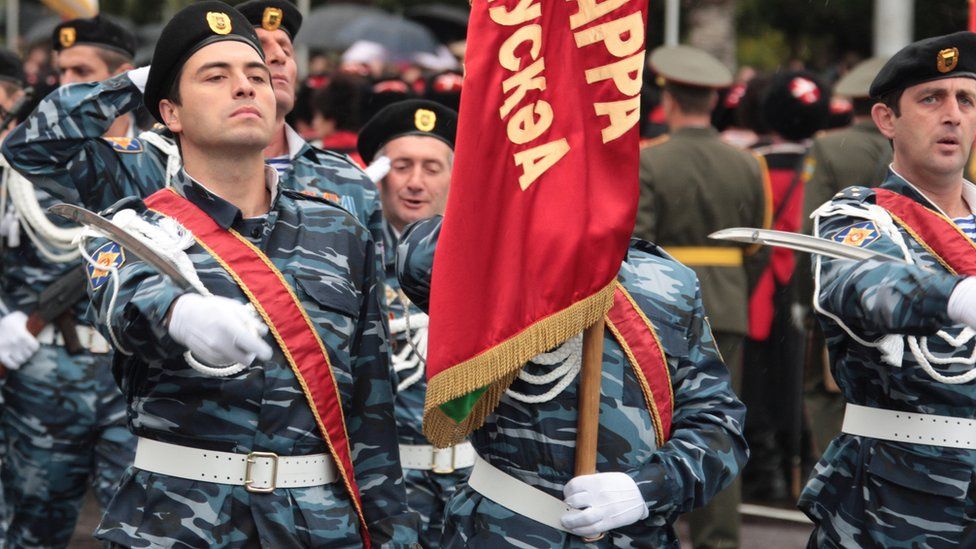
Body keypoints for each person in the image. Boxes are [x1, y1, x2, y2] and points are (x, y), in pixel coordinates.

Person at [82, 3, 418, 546]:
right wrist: (180, 313)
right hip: (178, 519)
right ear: (172, 113)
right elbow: (124, 302)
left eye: (256, 75)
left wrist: (391, 532)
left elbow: (370, 407)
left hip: (316, 524)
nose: (245, 87)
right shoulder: (133, 229)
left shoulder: (342, 231)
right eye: (216, 76)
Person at [395, 215, 748, 547]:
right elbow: (418, 261)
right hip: (508, 530)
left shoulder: (667, 279)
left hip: (638, 534)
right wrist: (524, 217)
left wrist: (647, 489)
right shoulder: (497, 256)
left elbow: (718, 425)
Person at [2, 0, 382, 254]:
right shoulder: (149, 164)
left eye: (284, 45)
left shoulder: (348, 180)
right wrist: (140, 84)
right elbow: (31, 149)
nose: (277, 55)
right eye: (258, 45)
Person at [799, 31, 976, 548]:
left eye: (966, 100)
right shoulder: (856, 216)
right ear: (886, 120)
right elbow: (862, 283)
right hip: (896, 497)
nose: (953, 115)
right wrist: (954, 297)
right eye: (931, 99)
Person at [0, 23, 140, 548]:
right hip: (41, 372)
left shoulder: (163, 165)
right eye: (61, 73)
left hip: (133, 378)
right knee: (32, 529)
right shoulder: (20, 167)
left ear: (120, 81)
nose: (65, 85)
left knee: (139, 531)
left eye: (82, 74)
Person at [634, 44, 770, 549]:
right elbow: (756, 246)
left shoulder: (651, 160)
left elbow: (638, 245)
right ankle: (719, 540)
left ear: (667, 100)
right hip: (728, 303)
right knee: (718, 426)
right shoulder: (746, 163)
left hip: (657, 310)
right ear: (713, 102)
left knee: (652, 422)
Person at [357, 99, 462, 546]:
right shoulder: (348, 257)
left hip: (472, 484)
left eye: (432, 167)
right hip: (386, 488)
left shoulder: (484, 262)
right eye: (402, 166)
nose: (416, 182)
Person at [741, 70, 829, 502]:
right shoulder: (821, 163)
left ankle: (764, 471)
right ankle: (800, 467)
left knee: (755, 385)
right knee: (797, 381)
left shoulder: (750, 161)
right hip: (802, 285)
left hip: (756, 287)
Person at [797, 56, 892, 458]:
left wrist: (805, 297)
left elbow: (812, 229)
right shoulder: (909, 144)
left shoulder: (829, 144)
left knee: (825, 390)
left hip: (841, 287)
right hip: (903, 291)